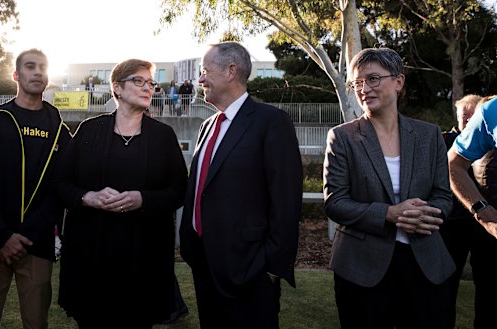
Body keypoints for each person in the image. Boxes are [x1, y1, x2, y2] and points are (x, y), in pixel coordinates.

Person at [323, 47, 454, 329]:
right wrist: (389, 214)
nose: (363, 89)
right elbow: (335, 202)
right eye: (357, 83)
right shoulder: (343, 137)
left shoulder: (429, 134)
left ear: (398, 82)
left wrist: (424, 214)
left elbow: (443, 195)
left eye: (372, 79)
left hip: (425, 263)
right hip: (360, 267)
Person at [56, 58, 188, 328]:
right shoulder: (89, 131)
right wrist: (87, 198)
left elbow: (179, 190)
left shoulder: (163, 136)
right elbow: (60, 183)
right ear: (116, 88)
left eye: (150, 83)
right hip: (91, 259)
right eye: (138, 81)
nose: (147, 88)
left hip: (143, 262)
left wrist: (143, 199)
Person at [179, 42, 302, 329]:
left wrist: (273, 267)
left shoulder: (271, 122)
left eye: (205, 71)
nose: (200, 79)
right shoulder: (207, 126)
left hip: (250, 270)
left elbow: (286, 200)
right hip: (205, 264)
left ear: (231, 71)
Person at [0, 48, 71, 328]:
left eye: (43, 67)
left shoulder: (60, 130)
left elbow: (58, 191)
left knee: (36, 323)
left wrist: (23, 236)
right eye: (30, 66)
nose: (37, 72)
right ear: (16, 74)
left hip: (35, 244)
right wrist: (2, 235)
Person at [439, 94, 491, 328]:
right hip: (454, 222)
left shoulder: (489, 143)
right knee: (447, 282)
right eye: (465, 118)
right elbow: (452, 168)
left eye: (473, 117)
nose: (469, 122)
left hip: (483, 227)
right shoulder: (443, 141)